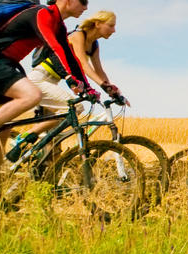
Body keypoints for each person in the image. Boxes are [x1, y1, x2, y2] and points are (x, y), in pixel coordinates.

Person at [0, 0, 95, 161]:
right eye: (83, 1)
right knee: (32, 95)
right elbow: (55, 48)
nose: (86, 7)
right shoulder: (42, 14)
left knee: (3, 130)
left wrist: (87, 87)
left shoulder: (59, 25)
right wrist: (70, 79)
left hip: (3, 66)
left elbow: (71, 57)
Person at [12, 10, 125, 156]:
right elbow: (82, 64)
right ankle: (24, 138)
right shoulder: (78, 35)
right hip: (40, 78)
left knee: (53, 138)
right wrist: (99, 87)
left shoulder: (94, 45)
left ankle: (42, 167)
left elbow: (99, 71)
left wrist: (113, 90)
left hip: (53, 81)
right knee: (76, 108)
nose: (114, 30)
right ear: (97, 23)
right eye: (111, 25)